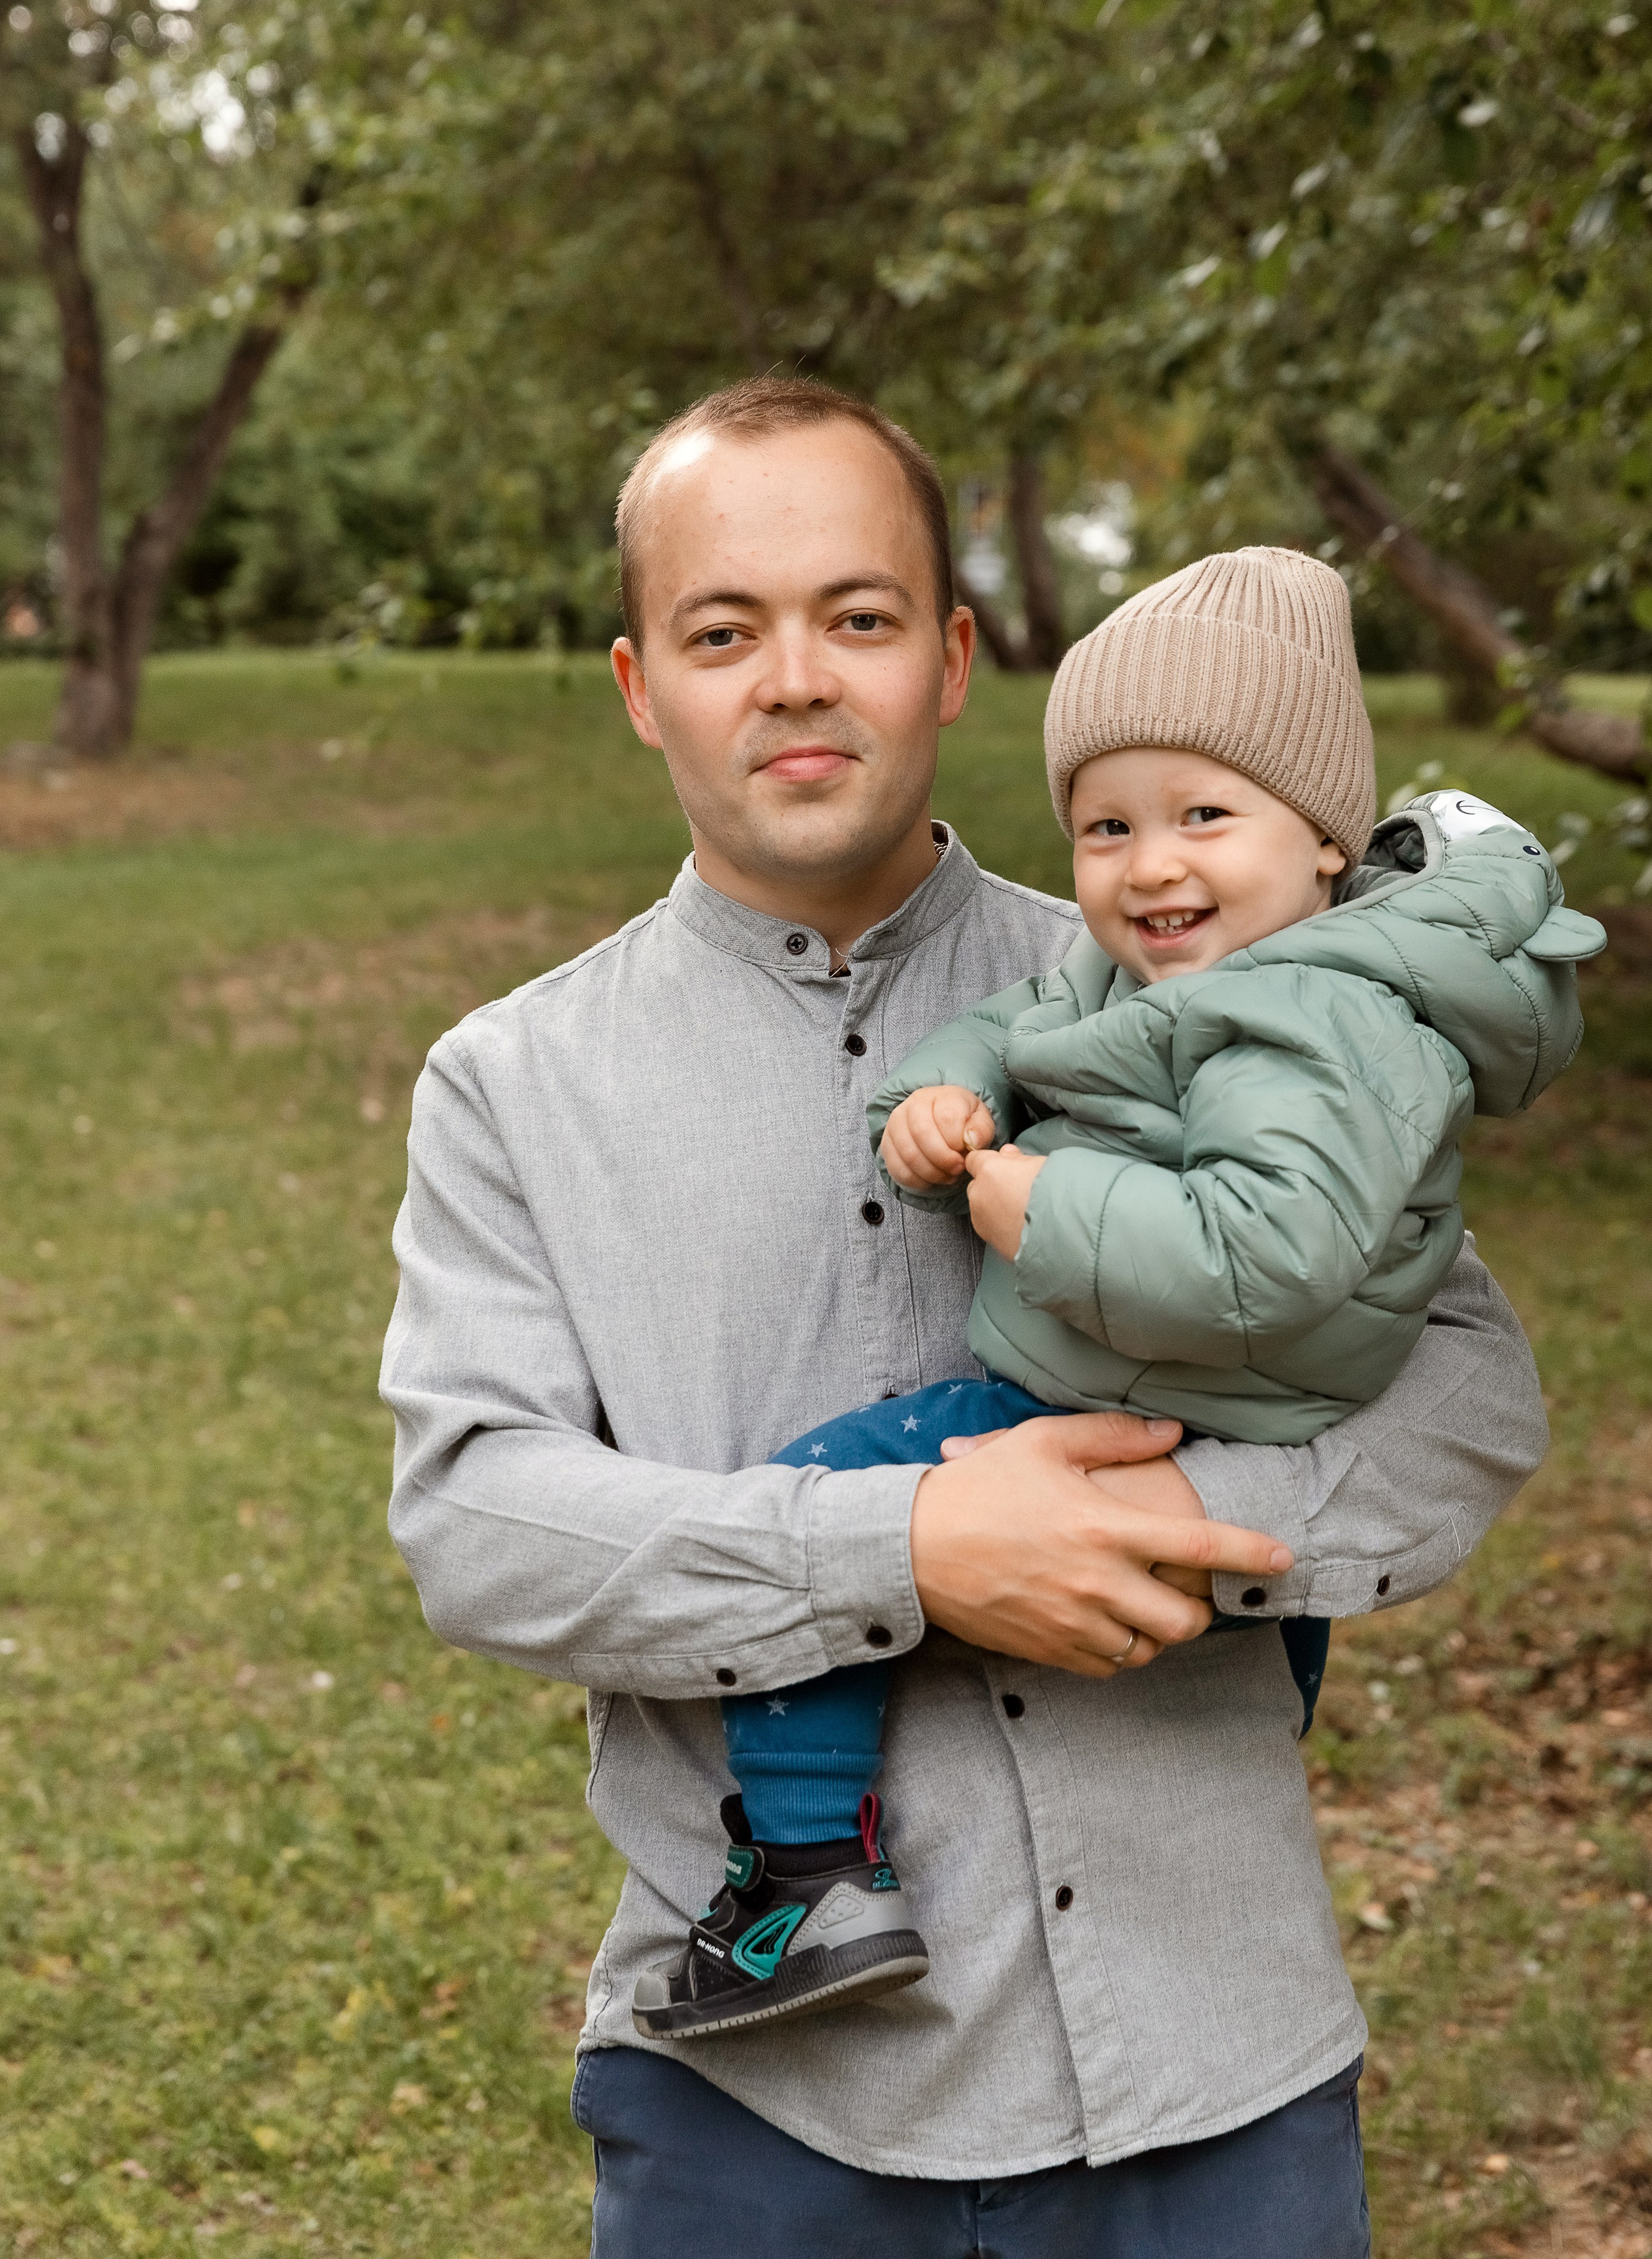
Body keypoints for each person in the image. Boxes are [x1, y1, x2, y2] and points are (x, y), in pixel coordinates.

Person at [383, 379, 1551, 2258]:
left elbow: (1466, 1397)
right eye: (721, 633)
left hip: (1207, 2063)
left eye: (854, 617)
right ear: (638, 685)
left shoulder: (1191, 969)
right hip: (759, 2107)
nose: (794, 680)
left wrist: (1169, 1531)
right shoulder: (514, 1084)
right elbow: (477, 1522)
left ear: (948, 658)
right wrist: (908, 1548)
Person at [633, 547, 1601, 2044]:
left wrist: (1039, 1209)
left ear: (1323, 843)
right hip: (1162, 1395)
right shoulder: (1151, 970)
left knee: (834, 1493)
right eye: (1106, 826)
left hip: (1176, 1405)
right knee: (1204, 1676)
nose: (1148, 867)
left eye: (1201, 817)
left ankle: (804, 1871)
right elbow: (1022, 1019)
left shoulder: (1325, 1028)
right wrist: (946, 1093)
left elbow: (1271, 1256)